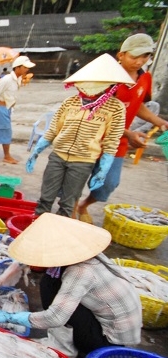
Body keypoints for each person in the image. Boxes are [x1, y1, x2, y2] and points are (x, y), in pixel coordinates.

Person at [0, 213, 142, 358]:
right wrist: (9, 273)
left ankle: (64, 348)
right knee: (50, 280)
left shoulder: (80, 271)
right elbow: (38, 256)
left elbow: (54, 318)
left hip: (109, 343)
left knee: (50, 288)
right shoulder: (80, 252)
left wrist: (9, 317)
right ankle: (69, 338)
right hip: (102, 323)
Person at [75, 34, 168, 223]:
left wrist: (158, 121)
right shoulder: (105, 79)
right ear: (121, 55)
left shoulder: (145, 78)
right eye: (134, 57)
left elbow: (138, 104)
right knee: (76, 178)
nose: (139, 62)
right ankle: (72, 207)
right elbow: (94, 110)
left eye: (145, 57)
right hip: (90, 137)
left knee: (109, 183)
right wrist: (128, 133)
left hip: (117, 143)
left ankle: (83, 205)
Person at [27, 54, 130, 218]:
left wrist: (103, 168)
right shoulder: (70, 102)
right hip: (58, 156)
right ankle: (37, 225)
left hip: (83, 161)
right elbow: (54, 129)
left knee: (68, 204)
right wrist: (37, 151)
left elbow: (112, 140)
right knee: (45, 199)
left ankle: (59, 234)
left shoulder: (115, 108)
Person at [0, 56, 35, 164]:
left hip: (7, 108)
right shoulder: (7, 79)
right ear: (17, 67)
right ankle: (7, 156)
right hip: (1, 108)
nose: (27, 70)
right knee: (6, 132)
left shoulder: (17, 79)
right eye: (25, 67)